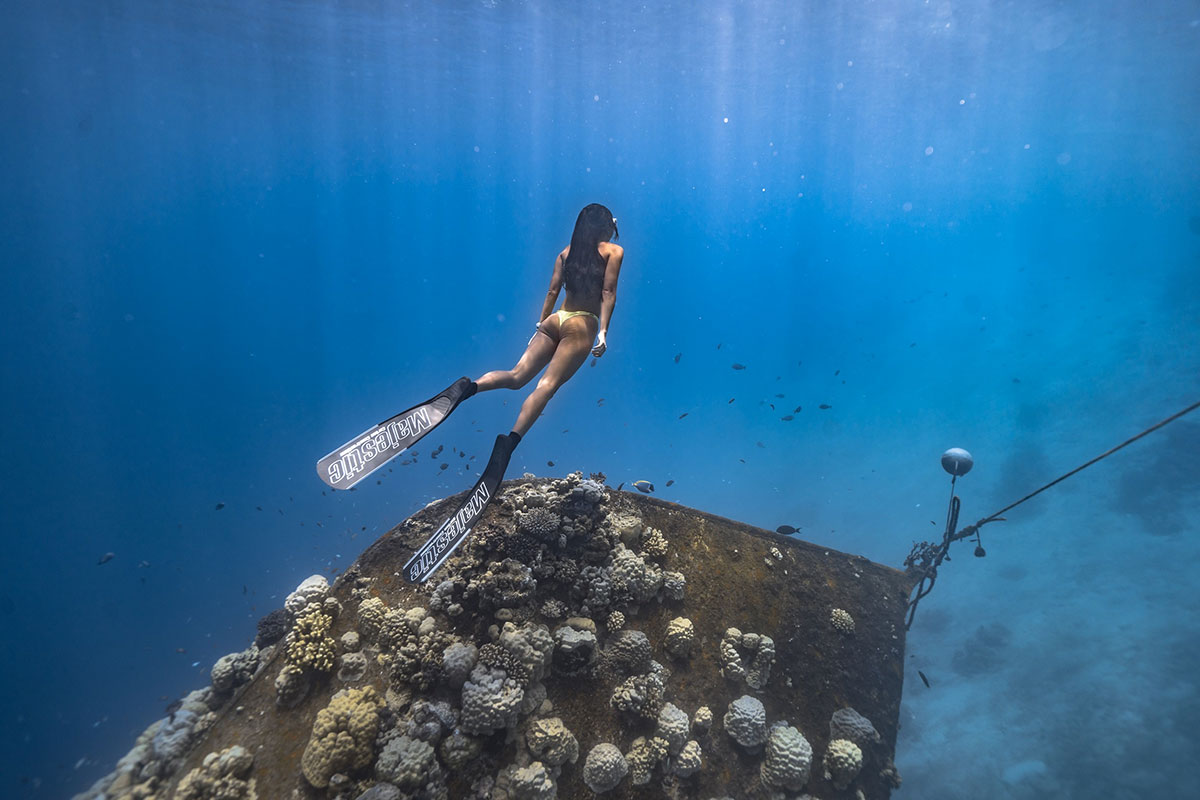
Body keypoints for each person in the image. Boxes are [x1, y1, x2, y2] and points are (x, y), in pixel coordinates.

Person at [472, 202, 623, 448]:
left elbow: (552, 291)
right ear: (605, 225)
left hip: (555, 320)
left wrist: (540, 326)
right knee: (547, 385)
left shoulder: (565, 253)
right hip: (581, 323)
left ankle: (468, 387)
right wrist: (604, 331)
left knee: (515, 376)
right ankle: (509, 444)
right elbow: (608, 292)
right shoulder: (613, 252)